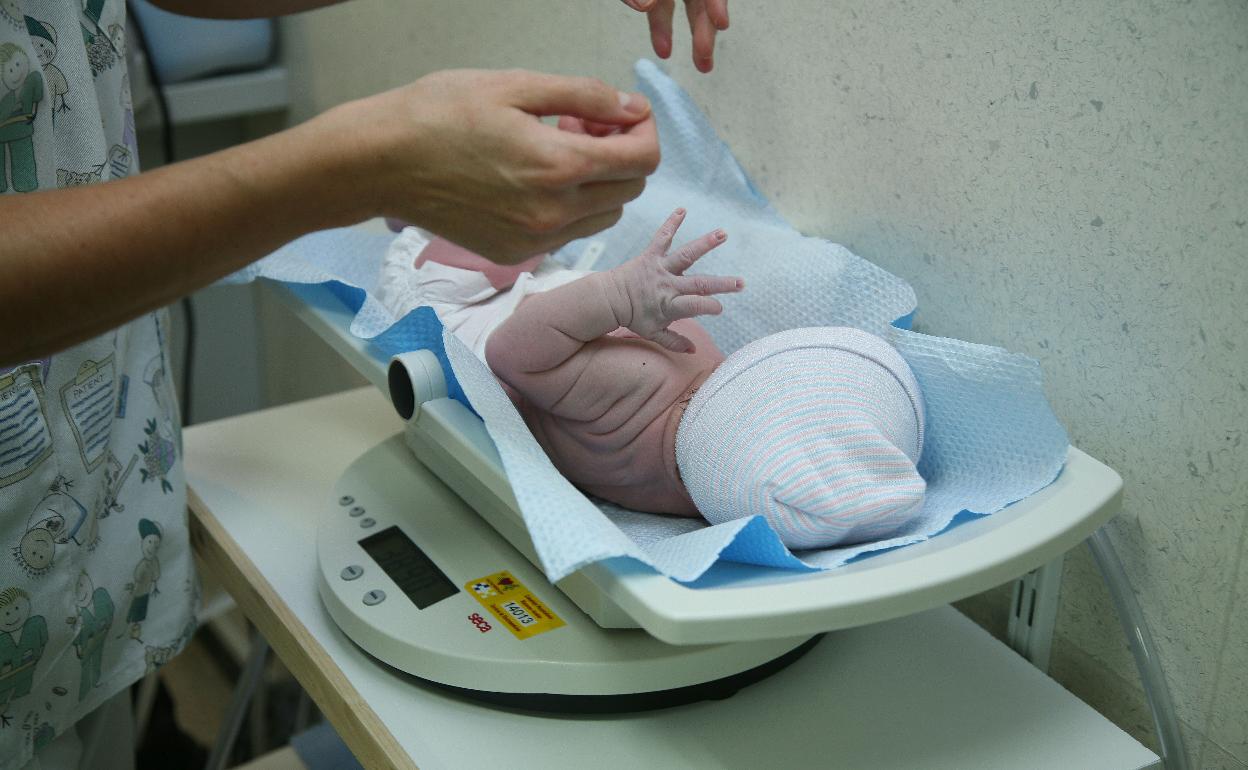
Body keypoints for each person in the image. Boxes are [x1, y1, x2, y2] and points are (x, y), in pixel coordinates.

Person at [0, 1, 729, 767]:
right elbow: (523, 326)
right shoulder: (426, 279)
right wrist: (364, 167)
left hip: (82, 511)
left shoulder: (471, 274)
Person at [378, 209, 927, 550]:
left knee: (519, 217)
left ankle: (419, 202)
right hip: (532, 293)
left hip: (458, 301)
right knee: (520, 216)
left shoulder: (634, 401)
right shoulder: (693, 486)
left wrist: (619, 296)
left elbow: (510, 352)